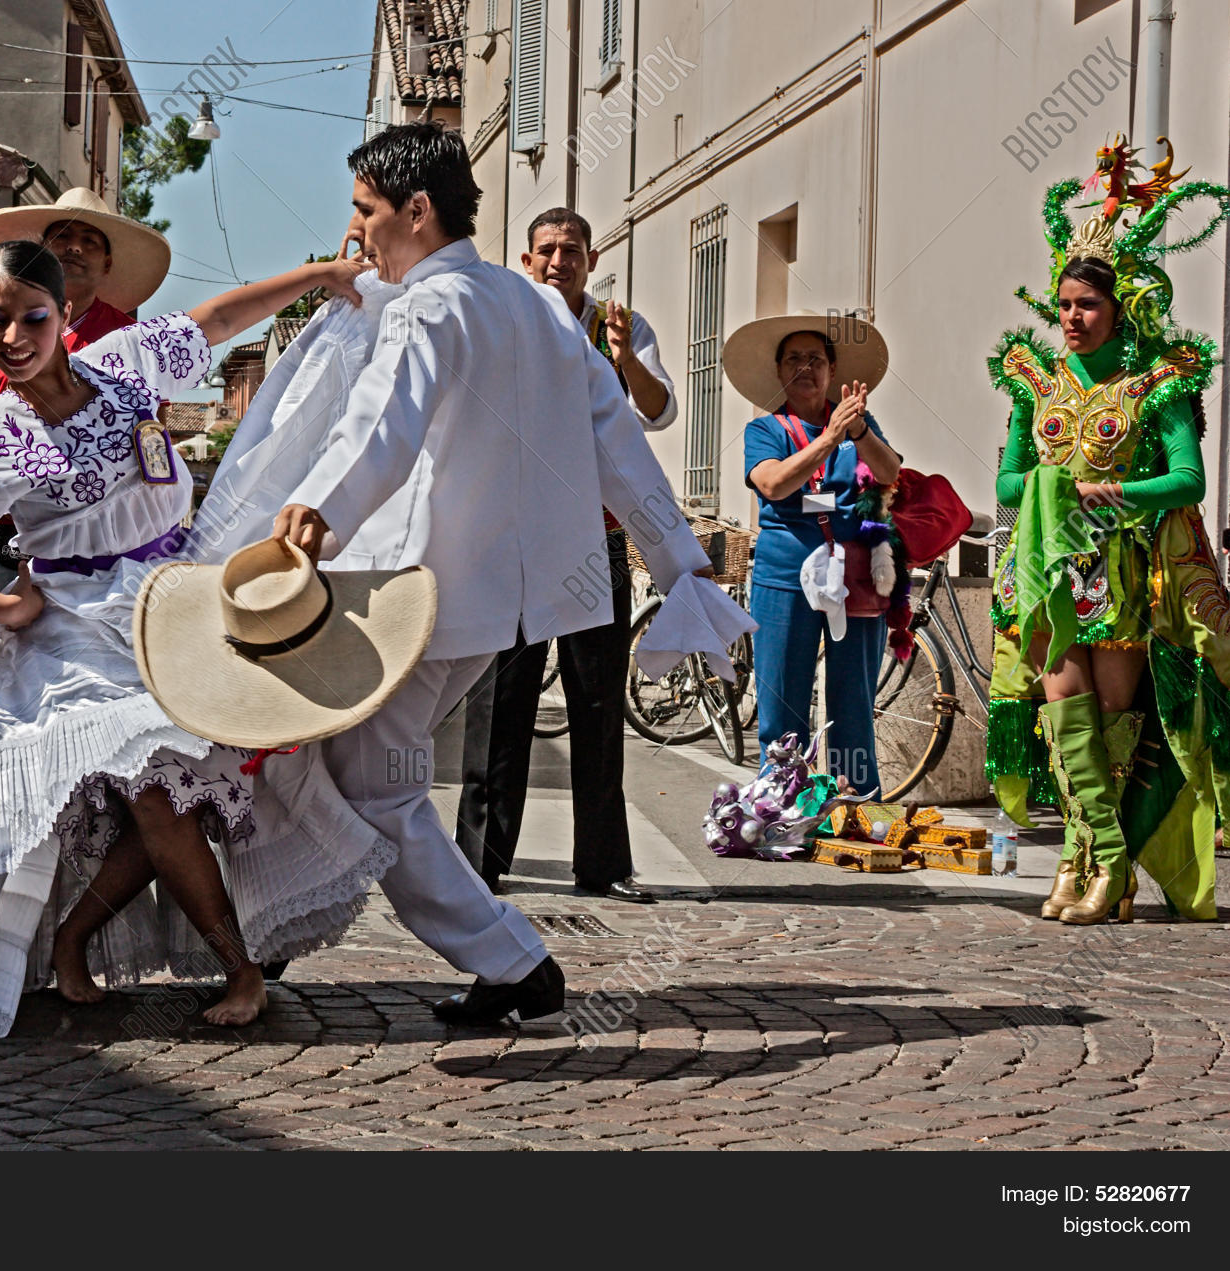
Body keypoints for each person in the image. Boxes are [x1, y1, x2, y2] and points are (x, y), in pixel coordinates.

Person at [0, 240, 378, 1037]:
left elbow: (220, 316)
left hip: (176, 599)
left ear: (64, 317)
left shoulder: (124, 363)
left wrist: (321, 278)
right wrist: (3, 608)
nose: (12, 337)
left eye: (31, 318)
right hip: (77, 627)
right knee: (154, 784)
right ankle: (240, 968)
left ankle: (79, 937)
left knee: (158, 797)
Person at [267, 122, 713, 1024]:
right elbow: (616, 440)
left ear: (416, 211)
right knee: (339, 765)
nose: (357, 232)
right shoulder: (537, 306)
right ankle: (269, 927)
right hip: (495, 608)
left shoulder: (429, 308)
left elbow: (381, 426)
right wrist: (682, 563)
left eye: (365, 211)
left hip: (416, 599)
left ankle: (510, 961)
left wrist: (319, 507)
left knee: (368, 782)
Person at [987, 142, 1230, 924]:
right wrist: (1057, 487)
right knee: (1063, 713)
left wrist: (1112, 488)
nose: (1070, 318)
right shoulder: (1035, 380)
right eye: (1063, 305)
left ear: (1118, 309)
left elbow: (1188, 479)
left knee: (1114, 727)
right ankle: (1095, 857)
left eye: (1086, 306)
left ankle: (1101, 867)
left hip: (1123, 571)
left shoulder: (1157, 383)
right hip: (1054, 569)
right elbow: (1007, 484)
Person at [455, 207, 678, 902]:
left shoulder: (622, 325)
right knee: (501, 702)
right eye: (546, 250)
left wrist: (623, 360)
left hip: (598, 542)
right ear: (526, 260)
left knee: (597, 702)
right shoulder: (506, 319)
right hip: (517, 538)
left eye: (571, 250)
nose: (559, 260)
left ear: (591, 256)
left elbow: (662, 408)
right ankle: (480, 863)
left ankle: (604, 864)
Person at [0, 188, 168, 697]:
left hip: (78, 538)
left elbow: (149, 441)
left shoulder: (127, 336)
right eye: (63, 236)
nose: (74, 248)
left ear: (107, 261)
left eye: (89, 240)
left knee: (80, 669)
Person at [723, 311, 901, 794]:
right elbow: (775, 484)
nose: (806, 367)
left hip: (856, 577)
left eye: (816, 359)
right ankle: (782, 807)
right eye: (795, 359)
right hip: (784, 575)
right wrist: (829, 440)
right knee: (782, 702)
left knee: (854, 701)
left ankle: (857, 804)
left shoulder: (859, 426)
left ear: (832, 370)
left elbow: (889, 473)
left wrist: (859, 432)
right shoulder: (766, 430)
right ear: (780, 372)